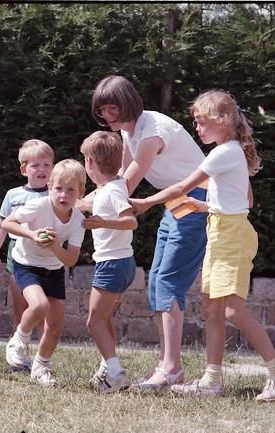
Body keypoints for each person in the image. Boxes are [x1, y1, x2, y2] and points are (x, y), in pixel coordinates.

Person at [130, 90, 275, 401]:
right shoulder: (230, 151)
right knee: (212, 308)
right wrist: (208, 208)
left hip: (231, 237)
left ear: (222, 120)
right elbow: (244, 200)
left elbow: (184, 186)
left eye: (200, 122)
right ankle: (211, 381)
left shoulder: (223, 152)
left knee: (234, 311)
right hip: (221, 229)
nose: (196, 128)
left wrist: (145, 202)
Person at [80, 75, 207, 391]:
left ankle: (172, 368)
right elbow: (118, 178)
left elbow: (124, 186)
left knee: (168, 283)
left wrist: (76, 206)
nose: (107, 116)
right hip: (171, 201)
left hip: (196, 200)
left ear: (127, 102)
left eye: (112, 109)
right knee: (157, 283)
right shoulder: (127, 130)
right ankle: (166, 366)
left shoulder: (151, 132)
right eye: (103, 111)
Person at [3, 159, 86, 387]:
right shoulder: (39, 206)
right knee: (39, 306)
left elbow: (71, 259)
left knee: (55, 325)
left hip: (54, 269)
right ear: (50, 187)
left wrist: (53, 246)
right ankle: (18, 339)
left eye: (71, 190)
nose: (63, 195)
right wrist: (33, 235)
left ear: (81, 192)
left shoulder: (78, 220)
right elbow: (7, 224)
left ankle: (41, 367)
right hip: (26, 264)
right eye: (59, 188)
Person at [79, 131, 138, 393]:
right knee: (103, 318)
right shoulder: (110, 187)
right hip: (121, 263)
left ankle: (115, 374)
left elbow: (131, 220)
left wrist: (103, 222)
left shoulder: (112, 192)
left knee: (94, 321)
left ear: (91, 163)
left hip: (112, 264)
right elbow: (82, 203)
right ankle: (107, 368)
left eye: (84, 160)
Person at [0, 139, 52, 336]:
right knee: (21, 308)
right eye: (35, 165)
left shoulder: (57, 194)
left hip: (48, 256)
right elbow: (1, 226)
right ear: (24, 169)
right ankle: (18, 352)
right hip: (17, 254)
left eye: (47, 164)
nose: (42, 169)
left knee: (45, 310)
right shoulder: (13, 195)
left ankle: (42, 358)